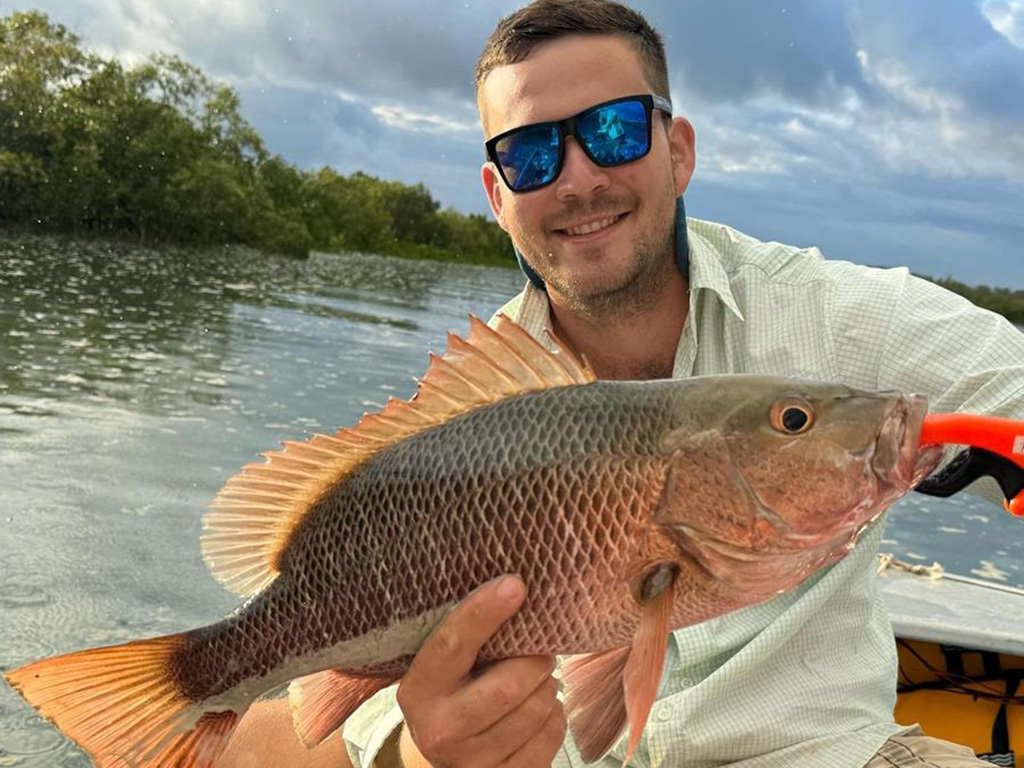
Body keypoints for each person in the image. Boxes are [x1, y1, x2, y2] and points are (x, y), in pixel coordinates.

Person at [215, 1, 1024, 766]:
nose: (576, 179)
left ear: (678, 150)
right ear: (499, 197)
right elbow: (374, 712)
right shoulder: (475, 408)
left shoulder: (844, 317)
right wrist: (423, 750)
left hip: (830, 756)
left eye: (613, 130)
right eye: (531, 154)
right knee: (255, 740)